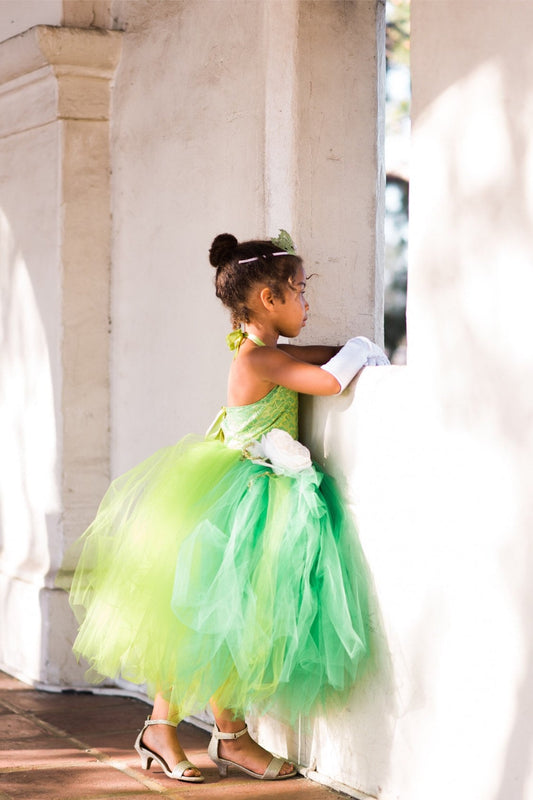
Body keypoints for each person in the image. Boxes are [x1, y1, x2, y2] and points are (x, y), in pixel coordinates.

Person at [59, 231, 389, 784]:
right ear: (269, 300)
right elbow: (330, 381)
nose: (307, 303)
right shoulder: (258, 357)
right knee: (216, 619)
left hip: (248, 490)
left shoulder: (258, 350)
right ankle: (206, 734)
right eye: (300, 291)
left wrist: (337, 349)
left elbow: (305, 357)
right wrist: (363, 344)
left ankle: (194, 732)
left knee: (219, 619)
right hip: (243, 497)